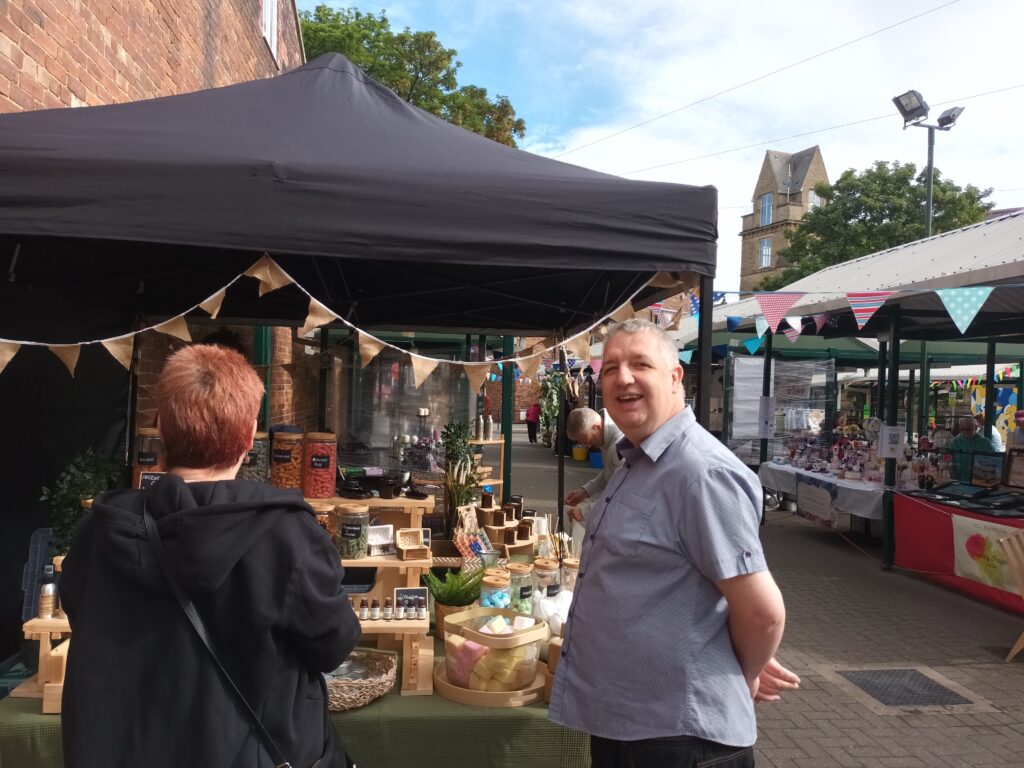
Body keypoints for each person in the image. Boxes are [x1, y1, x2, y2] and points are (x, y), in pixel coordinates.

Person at [59, 344, 360, 767]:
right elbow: (334, 645)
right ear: (250, 434)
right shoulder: (288, 534)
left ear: (160, 427)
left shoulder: (100, 531)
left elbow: (82, 615)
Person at [549, 319, 797, 768]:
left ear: (675, 377)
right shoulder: (635, 459)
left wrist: (740, 672)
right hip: (629, 725)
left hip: (677, 739)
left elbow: (762, 613)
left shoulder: (702, 473)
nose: (622, 377)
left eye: (640, 364)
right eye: (610, 368)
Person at [564, 407, 624, 532]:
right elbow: (610, 472)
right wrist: (585, 491)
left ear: (597, 427)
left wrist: (585, 512)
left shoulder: (619, 446)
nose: (586, 446)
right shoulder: (605, 436)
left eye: (587, 441)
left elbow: (621, 494)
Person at [949, 415, 996, 482]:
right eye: (962, 429)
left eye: (968, 429)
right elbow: (948, 461)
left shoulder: (985, 443)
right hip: (958, 480)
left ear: (976, 428)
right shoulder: (954, 442)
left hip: (980, 481)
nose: (965, 432)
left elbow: (994, 463)